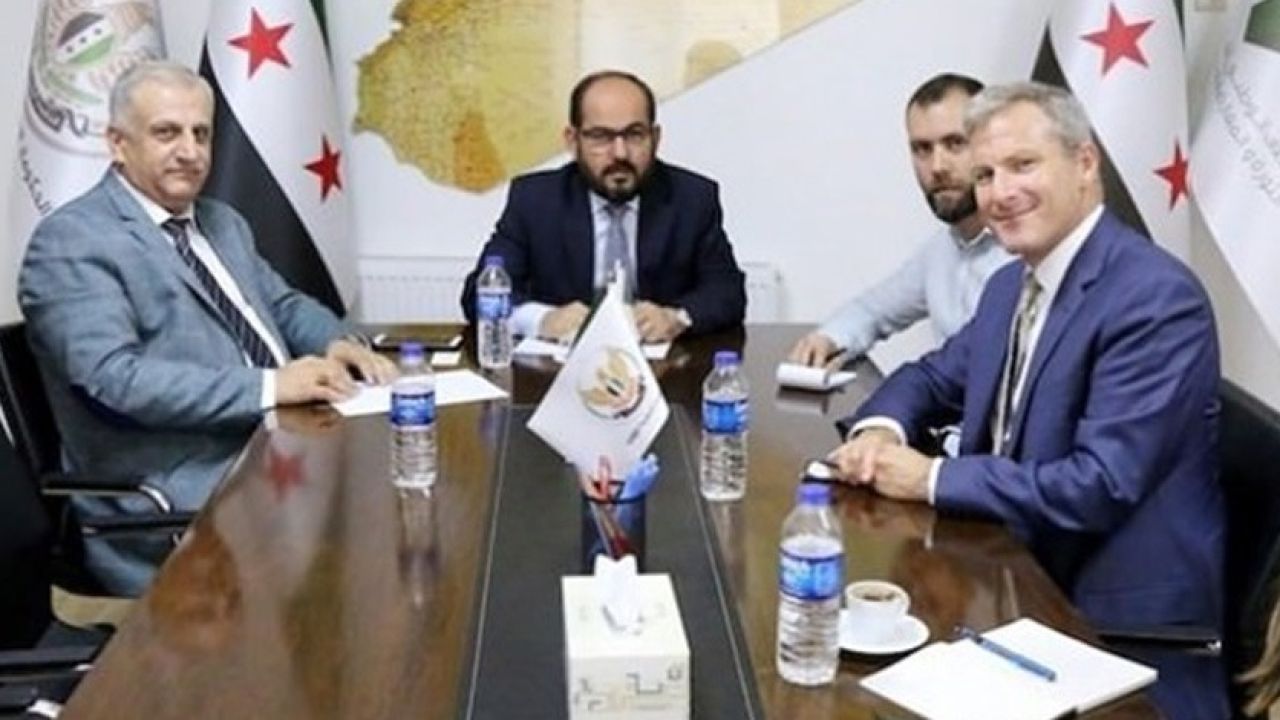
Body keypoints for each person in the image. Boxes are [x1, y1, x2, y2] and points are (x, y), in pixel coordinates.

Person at [828, 82, 1225, 715]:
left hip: (1112, 635)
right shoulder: (1011, 286)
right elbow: (929, 378)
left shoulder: (1153, 298)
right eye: (985, 174)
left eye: (1022, 165)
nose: (999, 192)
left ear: (1085, 163)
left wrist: (932, 479)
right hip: (1010, 588)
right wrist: (880, 430)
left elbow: (1098, 484)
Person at [18, 61, 395, 589]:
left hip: (277, 443)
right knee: (376, 530)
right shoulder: (73, 242)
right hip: (180, 488)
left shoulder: (221, 222)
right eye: (166, 133)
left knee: (406, 475)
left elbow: (283, 305)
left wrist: (338, 341)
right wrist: (270, 386)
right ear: (118, 143)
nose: (190, 151)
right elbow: (115, 379)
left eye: (201, 133)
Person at [460, 70, 746, 343]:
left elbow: (727, 292)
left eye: (635, 134)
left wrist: (676, 317)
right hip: (559, 368)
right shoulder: (535, 200)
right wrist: (544, 319)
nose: (620, 153)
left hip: (662, 369)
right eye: (600, 136)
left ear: (655, 138)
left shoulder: (691, 198)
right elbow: (479, 294)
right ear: (572, 141)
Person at [789, 73, 1011, 367]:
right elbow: (872, 310)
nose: (937, 167)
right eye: (922, 149)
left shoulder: (1028, 249)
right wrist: (827, 339)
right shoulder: (942, 249)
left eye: (955, 143)